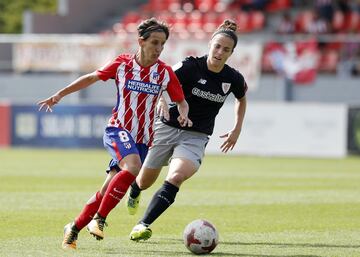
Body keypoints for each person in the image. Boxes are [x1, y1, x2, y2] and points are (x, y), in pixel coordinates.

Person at [37, 17, 192, 250]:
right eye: (154, 43)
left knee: (107, 189)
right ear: (141, 41)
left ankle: (74, 228)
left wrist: (182, 113)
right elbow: (91, 77)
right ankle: (100, 219)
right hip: (118, 129)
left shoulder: (165, 73)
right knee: (132, 168)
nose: (159, 49)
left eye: (162, 44)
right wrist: (60, 94)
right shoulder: (122, 65)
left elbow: (181, 101)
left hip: (142, 140)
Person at [126, 19, 248, 241]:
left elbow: (241, 99)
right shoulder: (190, 66)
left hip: (196, 135)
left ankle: (143, 224)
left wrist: (236, 128)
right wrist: (162, 100)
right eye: (217, 46)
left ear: (231, 53)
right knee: (144, 181)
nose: (220, 52)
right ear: (210, 44)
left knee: (176, 176)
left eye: (226, 49)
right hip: (167, 127)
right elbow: (161, 81)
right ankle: (134, 190)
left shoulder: (233, 78)